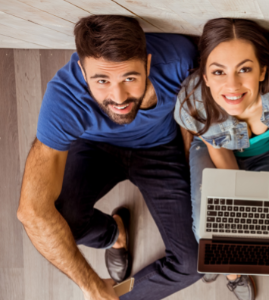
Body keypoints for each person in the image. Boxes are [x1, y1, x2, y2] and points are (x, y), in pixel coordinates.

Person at [16, 15, 202, 300]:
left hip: (160, 150)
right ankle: (114, 234)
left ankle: (120, 296)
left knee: (192, 264)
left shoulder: (180, 61)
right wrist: (91, 286)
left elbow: (192, 116)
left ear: (148, 64)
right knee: (64, 224)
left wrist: (193, 174)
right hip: (95, 148)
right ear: (82, 70)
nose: (118, 98)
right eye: (101, 80)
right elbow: (31, 211)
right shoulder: (64, 98)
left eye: (130, 77)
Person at [174, 18, 269, 300]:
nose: (232, 85)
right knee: (207, 230)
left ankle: (225, 260)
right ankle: (232, 271)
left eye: (244, 69)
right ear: (206, 76)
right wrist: (232, 212)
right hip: (216, 150)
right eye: (218, 72)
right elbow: (219, 149)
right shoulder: (193, 104)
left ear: (262, 70)